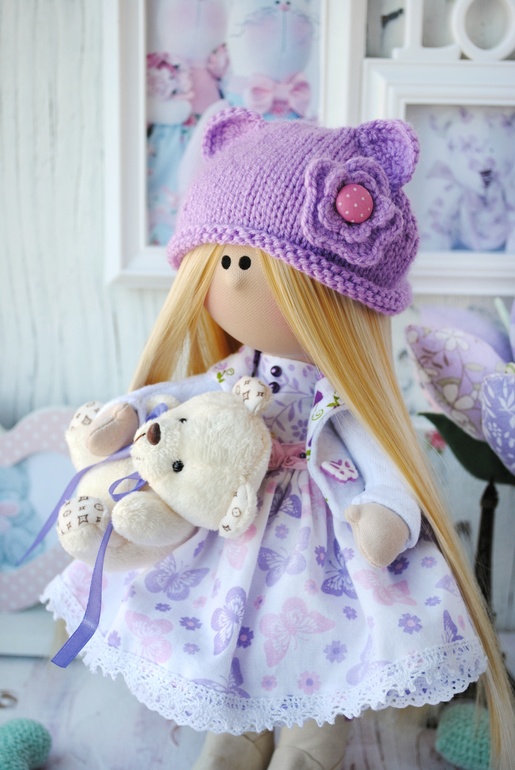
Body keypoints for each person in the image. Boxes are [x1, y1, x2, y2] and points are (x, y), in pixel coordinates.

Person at [44, 108, 515, 770]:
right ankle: (237, 731)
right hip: (228, 527)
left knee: (310, 633)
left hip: (321, 538)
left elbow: (382, 457)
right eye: (222, 260)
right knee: (230, 629)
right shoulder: (231, 378)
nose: (233, 278)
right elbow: (171, 401)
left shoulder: (343, 397)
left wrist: (387, 510)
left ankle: (310, 739)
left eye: (249, 260)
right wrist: (124, 417)